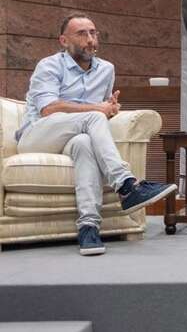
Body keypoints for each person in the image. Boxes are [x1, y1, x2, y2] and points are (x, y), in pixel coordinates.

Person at [15, 13, 178, 256]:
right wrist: (98, 110)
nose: (90, 39)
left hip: (74, 135)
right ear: (63, 40)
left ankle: (89, 226)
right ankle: (126, 185)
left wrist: (109, 110)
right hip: (37, 136)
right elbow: (49, 109)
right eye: (82, 34)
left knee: (84, 143)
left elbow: (98, 113)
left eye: (93, 33)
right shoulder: (49, 65)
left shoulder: (106, 69)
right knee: (93, 117)